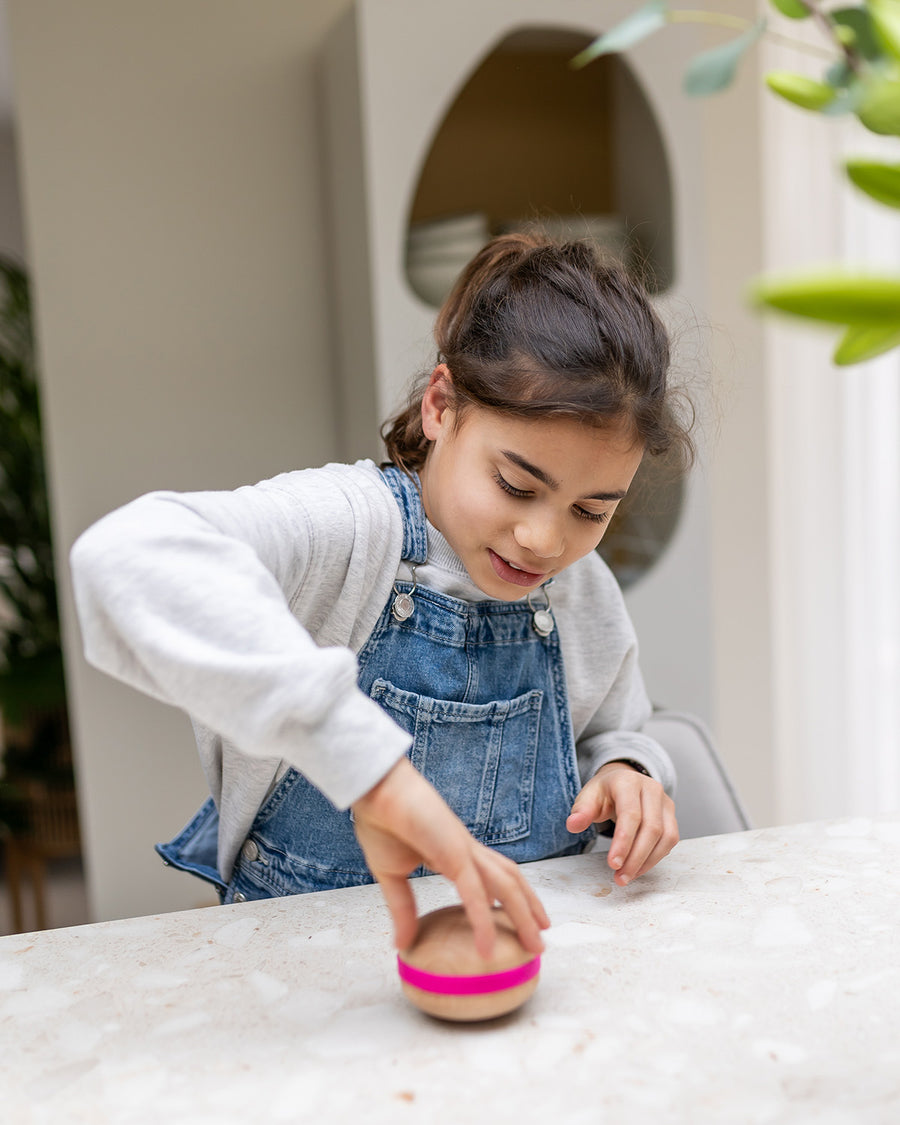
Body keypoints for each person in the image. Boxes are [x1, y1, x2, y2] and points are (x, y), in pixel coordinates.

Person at [70, 233, 690, 958]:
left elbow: (614, 729)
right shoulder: (350, 528)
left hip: (515, 969)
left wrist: (629, 772)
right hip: (304, 971)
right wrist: (369, 770)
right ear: (441, 404)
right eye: (517, 485)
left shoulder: (580, 590)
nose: (544, 541)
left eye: (592, 510)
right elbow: (127, 553)